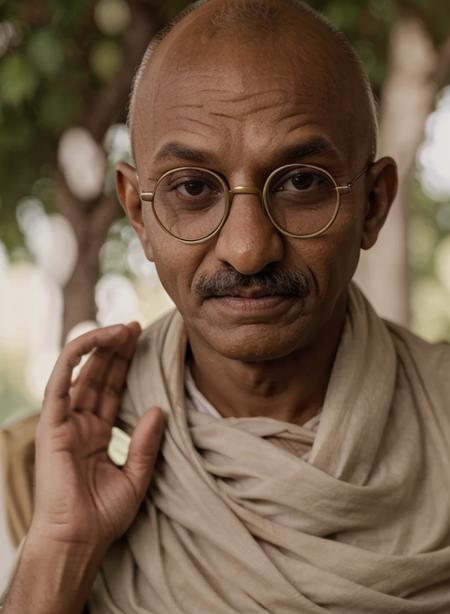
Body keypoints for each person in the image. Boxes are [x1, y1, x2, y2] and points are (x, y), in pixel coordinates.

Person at [2, 0, 450, 612]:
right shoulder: (34, 480)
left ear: (372, 204)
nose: (247, 250)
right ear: (139, 212)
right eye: (192, 188)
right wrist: (60, 549)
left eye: (300, 182)